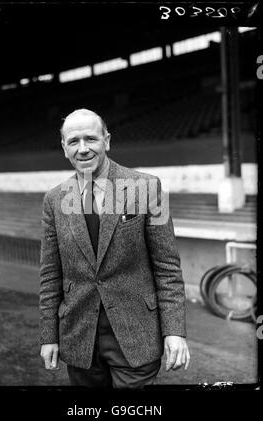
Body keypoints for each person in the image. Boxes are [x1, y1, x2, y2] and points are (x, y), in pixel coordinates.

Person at [39, 108, 190, 388]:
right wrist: (49, 335)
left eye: (91, 139)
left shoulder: (148, 187)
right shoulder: (53, 200)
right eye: (73, 141)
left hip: (136, 336)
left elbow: (167, 267)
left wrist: (174, 331)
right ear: (64, 148)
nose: (83, 149)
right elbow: (50, 275)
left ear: (106, 140)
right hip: (80, 339)